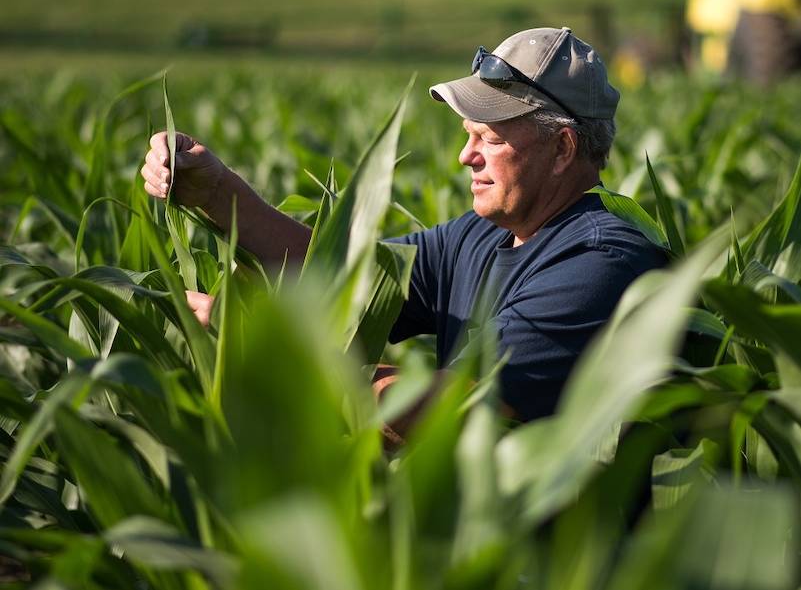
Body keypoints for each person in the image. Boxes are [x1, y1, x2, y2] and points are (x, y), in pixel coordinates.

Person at [141, 26, 667, 423]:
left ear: (562, 148)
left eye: (489, 138)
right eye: (468, 135)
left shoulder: (600, 261)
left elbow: (454, 411)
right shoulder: (480, 235)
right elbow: (340, 279)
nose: (466, 157)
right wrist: (216, 192)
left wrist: (266, 355)